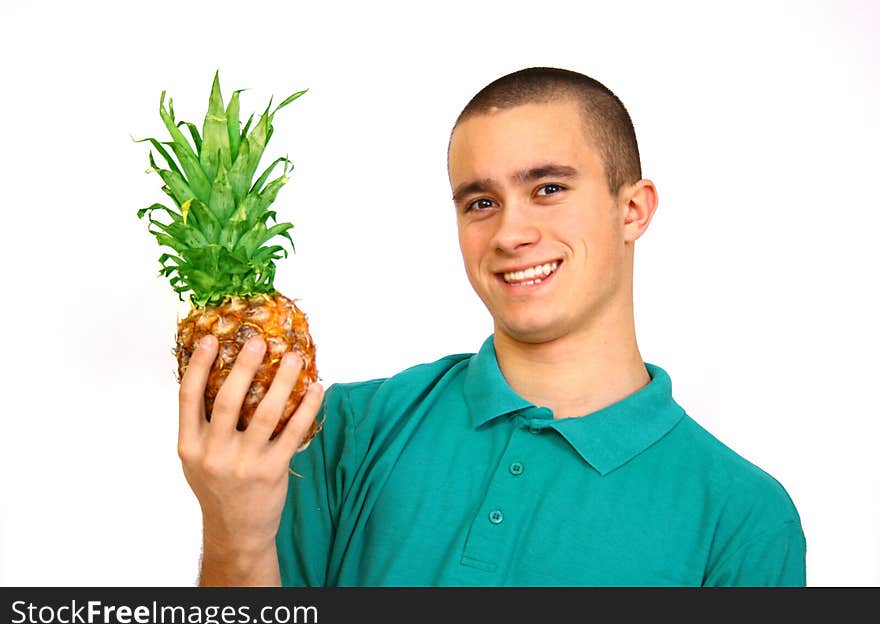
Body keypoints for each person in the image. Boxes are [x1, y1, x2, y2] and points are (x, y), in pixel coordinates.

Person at [178, 67, 807, 586]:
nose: (509, 234)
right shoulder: (348, 429)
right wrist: (233, 531)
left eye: (549, 188)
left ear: (633, 209)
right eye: (480, 202)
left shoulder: (743, 517)